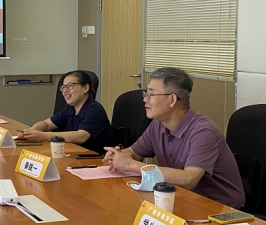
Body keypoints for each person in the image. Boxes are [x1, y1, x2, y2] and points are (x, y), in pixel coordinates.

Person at [103, 67, 245, 209]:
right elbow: (134, 153)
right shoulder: (157, 125)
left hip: (220, 209)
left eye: (151, 94)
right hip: (181, 199)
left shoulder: (204, 132)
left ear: (172, 99)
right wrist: (119, 155)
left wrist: (131, 165)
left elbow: (189, 179)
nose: (145, 99)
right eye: (146, 93)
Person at [18, 70, 115, 154]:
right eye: (63, 87)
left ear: (85, 88)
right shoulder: (70, 108)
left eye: (70, 86)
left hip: (98, 160)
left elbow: (81, 136)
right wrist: (31, 131)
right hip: (76, 155)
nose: (65, 91)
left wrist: (42, 136)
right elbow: (46, 124)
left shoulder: (95, 110)